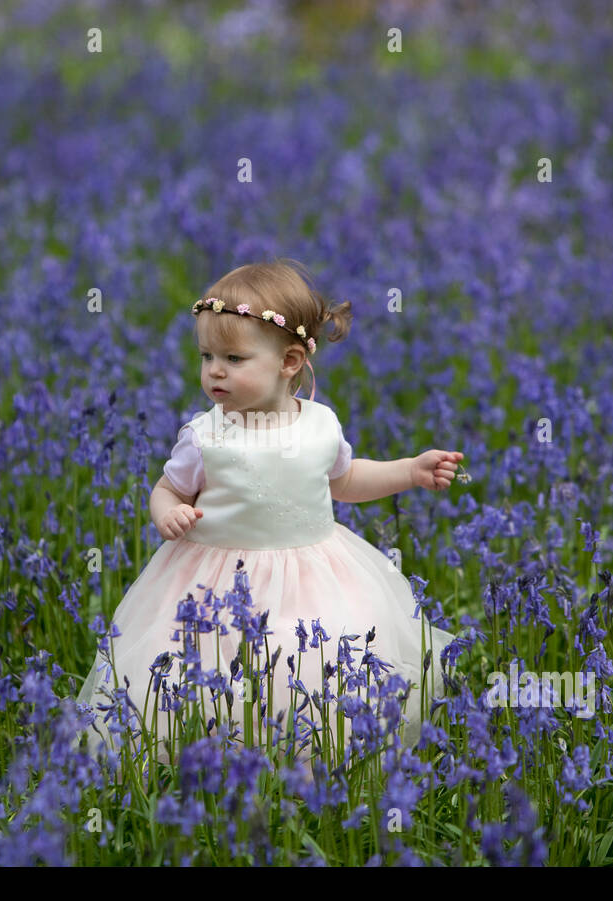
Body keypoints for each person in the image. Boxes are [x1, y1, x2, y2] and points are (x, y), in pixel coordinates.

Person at [75, 258, 469, 771]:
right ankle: (207, 757)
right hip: (211, 580)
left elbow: (345, 481)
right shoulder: (206, 435)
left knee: (308, 665)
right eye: (206, 356)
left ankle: (304, 761)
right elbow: (168, 487)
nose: (214, 370)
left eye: (234, 358)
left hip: (312, 578)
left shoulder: (320, 425)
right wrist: (167, 513)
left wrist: (408, 471)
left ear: (289, 362)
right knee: (201, 670)